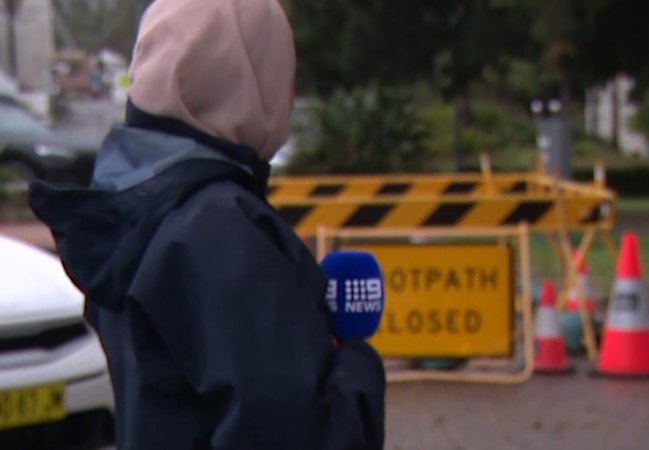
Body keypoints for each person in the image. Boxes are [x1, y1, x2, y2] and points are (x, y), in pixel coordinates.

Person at [28, 1, 385, 449]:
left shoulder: (130, 208)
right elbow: (295, 433)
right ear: (252, 78)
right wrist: (356, 364)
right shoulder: (220, 232)